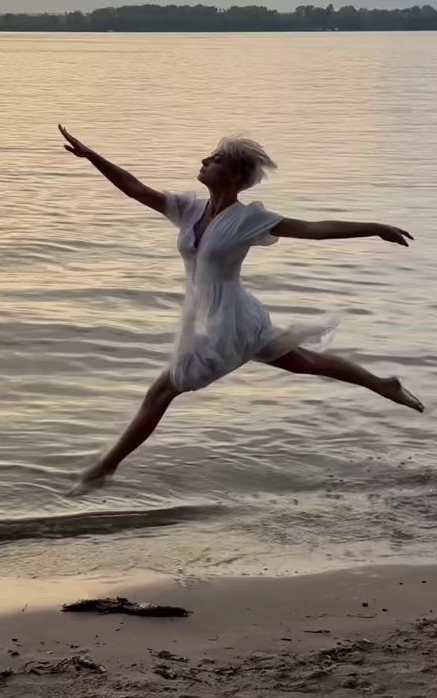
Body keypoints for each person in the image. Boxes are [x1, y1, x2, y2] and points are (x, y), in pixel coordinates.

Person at [58, 124, 423, 494]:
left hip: (227, 322)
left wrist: (374, 227)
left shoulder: (248, 220)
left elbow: (315, 228)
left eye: (214, 160)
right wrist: (93, 157)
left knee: (161, 392)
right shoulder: (189, 209)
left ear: (232, 175)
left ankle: (105, 468)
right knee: (304, 363)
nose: (204, 160)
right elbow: (135, 188)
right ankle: (381, 383)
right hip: (216, 314)